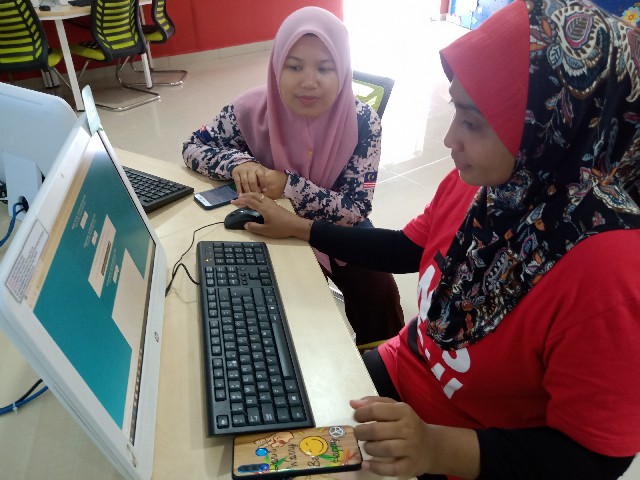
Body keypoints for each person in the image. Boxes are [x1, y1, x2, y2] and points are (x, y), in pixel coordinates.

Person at [229, 0, 640, 478]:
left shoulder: (607, 273)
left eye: (473, 121)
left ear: (554, 124)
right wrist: (299, 228)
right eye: (455, 110)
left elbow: (596, 458)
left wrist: (435, 447)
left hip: (467, 452)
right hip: (404, 375)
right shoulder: (485, 182)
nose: (449, 139)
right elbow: (407, 249)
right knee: (253, 430)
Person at [182, 6, 404, 347]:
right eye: (294, 66)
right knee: (285, 310)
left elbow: (356, 208)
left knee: (380, 292)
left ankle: (382, 360)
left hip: (335, 223)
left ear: (343, 70)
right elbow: (193, 146)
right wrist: (239, 163)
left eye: (325, 68)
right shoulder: (250, 108)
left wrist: (289, 185)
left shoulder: (363, 122)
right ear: (276, 66)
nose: (309, 81)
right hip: (269, 220)